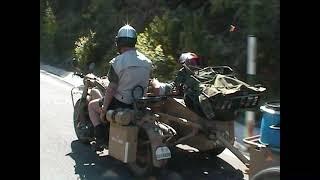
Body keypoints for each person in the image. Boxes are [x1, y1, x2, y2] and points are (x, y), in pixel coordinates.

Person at [88, 24, 152, 150]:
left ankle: (100, 138)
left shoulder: (118, 61)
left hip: (121, 103)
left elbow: (111, 89)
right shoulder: (147, 61)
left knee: (91, 105)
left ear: (119, 42)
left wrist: (104, 111)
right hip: (139, 103)